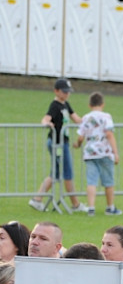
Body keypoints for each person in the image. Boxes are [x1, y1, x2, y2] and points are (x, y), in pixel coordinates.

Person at [30, 78, 84, 213]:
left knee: (56, 173)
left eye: (68, 91)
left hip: (63, 142)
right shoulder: (55, 105)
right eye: (64, 91)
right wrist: (47, 124)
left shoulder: (66, 104)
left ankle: (37, 199)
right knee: (67, 172)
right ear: (56, 91)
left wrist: (91, 120)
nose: (67, 94)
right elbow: (46, 118)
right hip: (57, 143)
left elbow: (77, 119)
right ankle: (75, 204)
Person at [73, 92, 120, 216]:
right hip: (104, 152)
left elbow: (80, 136)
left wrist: (77, 144)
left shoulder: (86, 118)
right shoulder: (106, 117)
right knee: (108, 181)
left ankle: (91, 208)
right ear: (102, 104)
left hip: (90, 153)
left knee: (91, 181)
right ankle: (110, 207)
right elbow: (109, 134)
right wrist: (116, 152)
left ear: (89, 105)